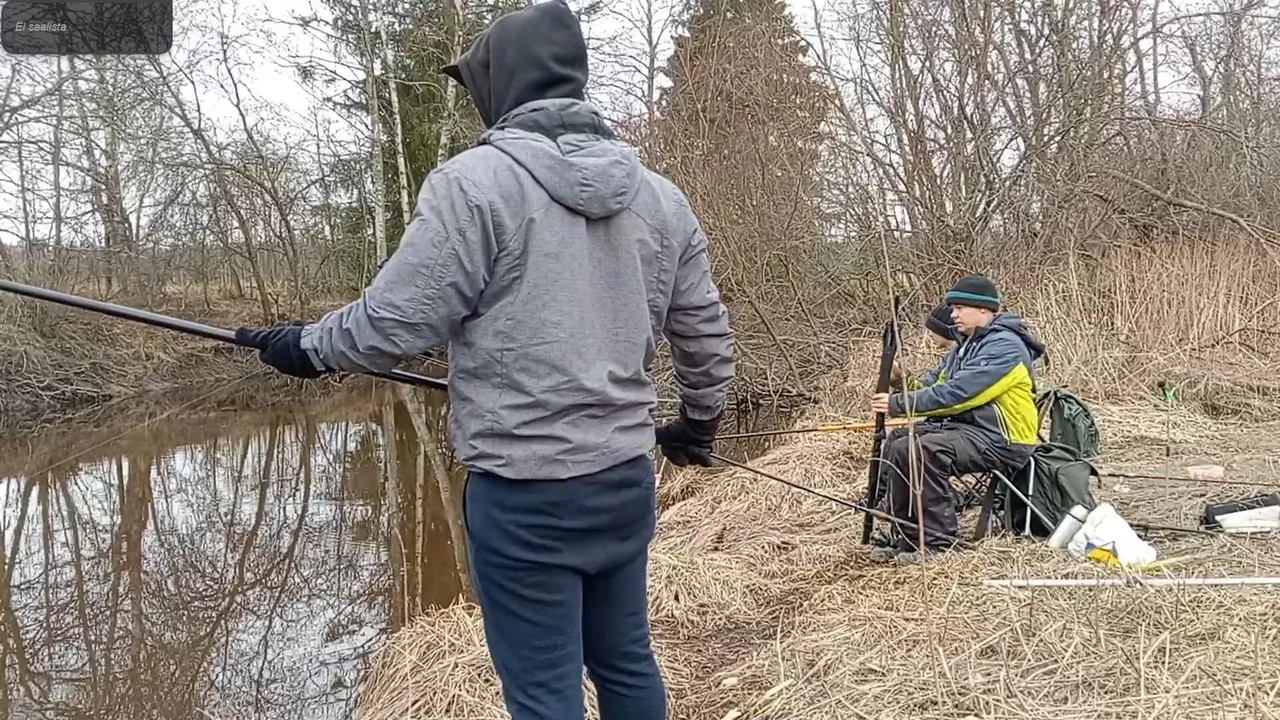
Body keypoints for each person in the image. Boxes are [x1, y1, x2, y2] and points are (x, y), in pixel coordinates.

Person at [233, 2, 736, 718]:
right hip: (624, 481)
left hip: (524, 496)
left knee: (543, 692)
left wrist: (308, 347)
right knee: (626, 661)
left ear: (502, 85)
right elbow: (705, 335)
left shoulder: (472, 184)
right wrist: (699, 423)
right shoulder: (662, 200)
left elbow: (396, 321)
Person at [869, 274, 1045, 564]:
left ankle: (937, 544)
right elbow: (935, 387)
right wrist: (901, 383)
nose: (952, 315)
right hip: (971, 429)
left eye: (959, 308)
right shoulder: (966, 345)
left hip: (1004, 438)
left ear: (984, 309)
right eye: (953, 308)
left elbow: (959, 395)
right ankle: (908, 539)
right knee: (900, 442)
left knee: (921, 450)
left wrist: (898, 404)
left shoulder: (1005, 347)